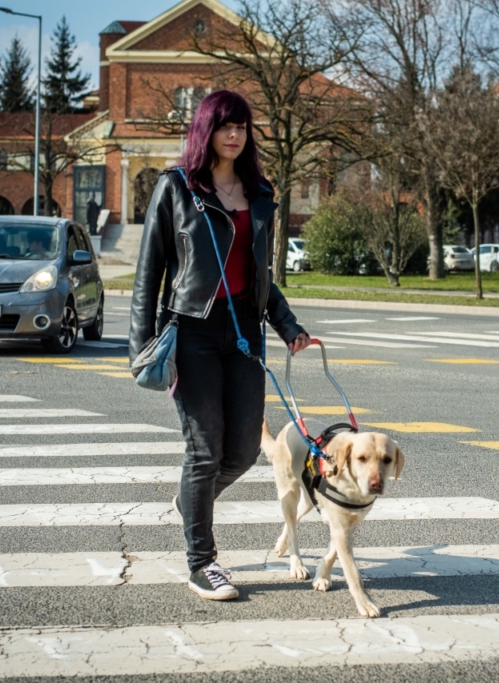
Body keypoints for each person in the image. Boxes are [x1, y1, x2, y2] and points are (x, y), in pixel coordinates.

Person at [129, 90, 311, 602]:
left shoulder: (260, 193)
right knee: (205, 448)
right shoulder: (177, 187)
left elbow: (260, 277)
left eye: (242, 126)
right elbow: (149, 274)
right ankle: (201, 562)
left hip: (244, 335)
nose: (234, 134)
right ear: (205, 129)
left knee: (243, 451)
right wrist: (141, 347)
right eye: (224, 125)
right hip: (191, 331)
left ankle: (191, 499)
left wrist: (287, 324)